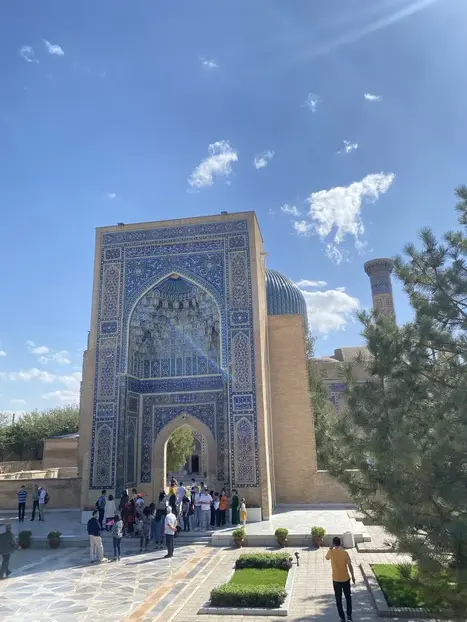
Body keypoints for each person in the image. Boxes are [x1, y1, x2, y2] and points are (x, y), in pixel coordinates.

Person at [326, 536, 356, 622]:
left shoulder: (331, 552)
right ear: (340, 543)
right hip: (345, 579)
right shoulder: (345, 553)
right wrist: (353, 576)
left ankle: (342, 618)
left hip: (336, 580)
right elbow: (349, 565)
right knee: (348, 598)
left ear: (333, 543)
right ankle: (349, 616)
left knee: (338, 599)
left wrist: (330, 548)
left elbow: (327, 558)